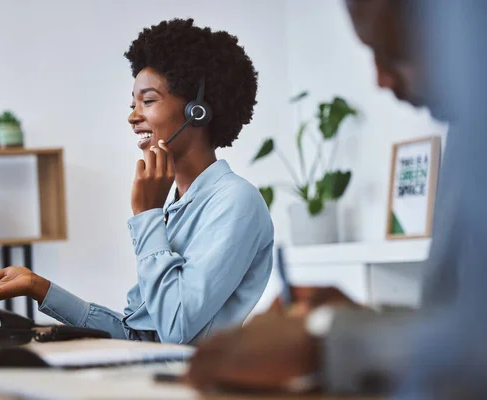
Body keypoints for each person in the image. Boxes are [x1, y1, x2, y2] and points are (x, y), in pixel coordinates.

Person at [187, 0, 487, 396]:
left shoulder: (236, 201)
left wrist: (324, 342)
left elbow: (177, 326)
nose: (381, 79)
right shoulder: (466, 132)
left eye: (394, 53)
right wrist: (360, 320)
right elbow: (459, 319)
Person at [0, 18, 274, 345]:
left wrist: (146, 215)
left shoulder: (235, 202)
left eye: (148, 101)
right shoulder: (179, 205)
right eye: (132, 104)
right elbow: (138, 335)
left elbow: (174, 328)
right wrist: (39, 287)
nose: (133, 116)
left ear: (196, 111)